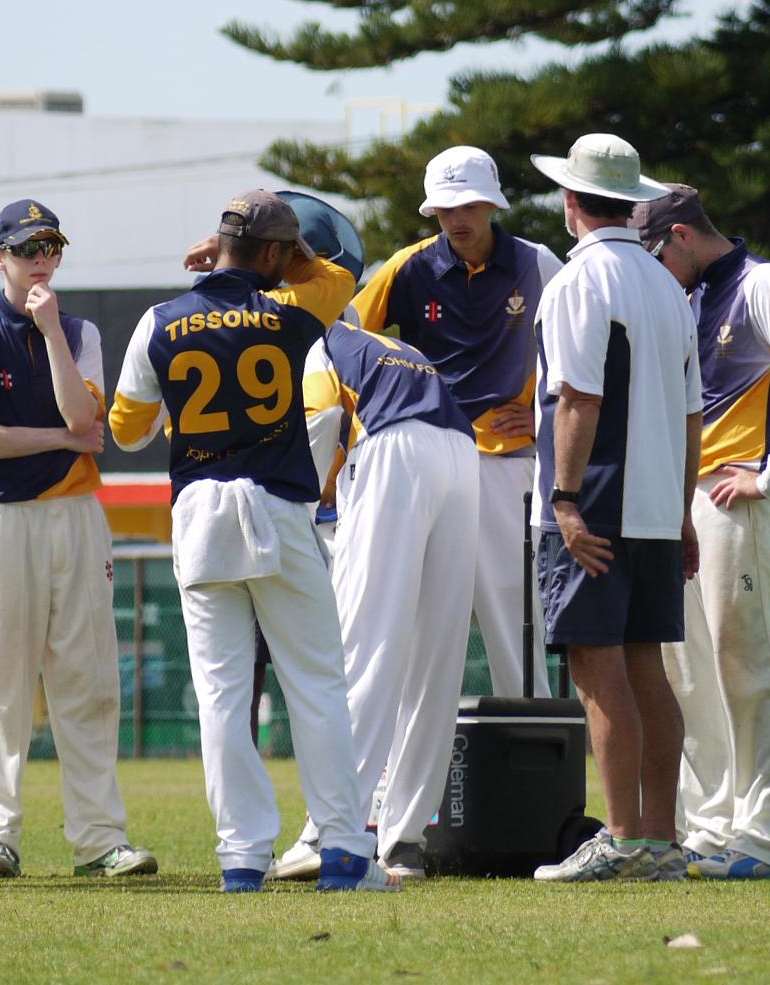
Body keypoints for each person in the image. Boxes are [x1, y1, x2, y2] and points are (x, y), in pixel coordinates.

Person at [109, 189, 399, 893]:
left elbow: (126, 430)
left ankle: (241, 858)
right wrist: (285, 256)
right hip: (276, 509)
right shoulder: (293, 309)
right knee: (316, 684)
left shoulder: (157, 320)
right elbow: (337, 275)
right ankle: (343, 851)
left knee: (221, 695)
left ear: (219, 245)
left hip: (198, 515)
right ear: (275, 252)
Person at [0, 199, 157, 880]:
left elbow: (82, 411)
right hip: (3, 518)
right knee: (0, 683)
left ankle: (99, 838)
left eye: (50, 247)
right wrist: (64, 440)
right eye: (25, 249)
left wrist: (50, 332)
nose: (40, 259)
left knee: (89, 681)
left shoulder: (79, 330)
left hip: (75, 514)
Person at [630, 185, 770, 880]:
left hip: (736, 499)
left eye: (656, 254)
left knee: (751, 668)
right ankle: (713, 827)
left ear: (682, 235)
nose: (654, 270)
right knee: (687, 674)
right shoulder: (686, 296)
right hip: (683, 504)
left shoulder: (763, 282)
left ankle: (766, 840)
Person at [526, 133, 702, 883]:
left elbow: (578, 396)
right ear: (632, 204)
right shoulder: (666, 283)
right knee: (647, 669)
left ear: (571, 201)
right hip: (657, 502)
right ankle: (660, 840)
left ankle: (624, 841)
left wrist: (565, 500)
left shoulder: (578, 280)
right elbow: (692, 415)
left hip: (596, 499)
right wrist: (683, 512)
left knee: (597, 671)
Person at [349, 146, 563, 700]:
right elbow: (342, 340)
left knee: (513, 616)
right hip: (424, 456)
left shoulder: (537, 263)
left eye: (468, 205)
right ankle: (407, 755)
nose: (457, 219)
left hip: (504, 460)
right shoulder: (407, 266)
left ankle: (531, 745)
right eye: (446, 208)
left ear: (492, 204)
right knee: (414, 617)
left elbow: (583, 348)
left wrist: (544, 417)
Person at [284, 312, 483, 882]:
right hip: (462, 453)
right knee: (435, 657)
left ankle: (329, 830)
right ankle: (405, 840)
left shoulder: (322, 345)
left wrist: (295, 509)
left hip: (395, 448)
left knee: (361, 648)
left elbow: (319, 420)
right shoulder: (393, 346)